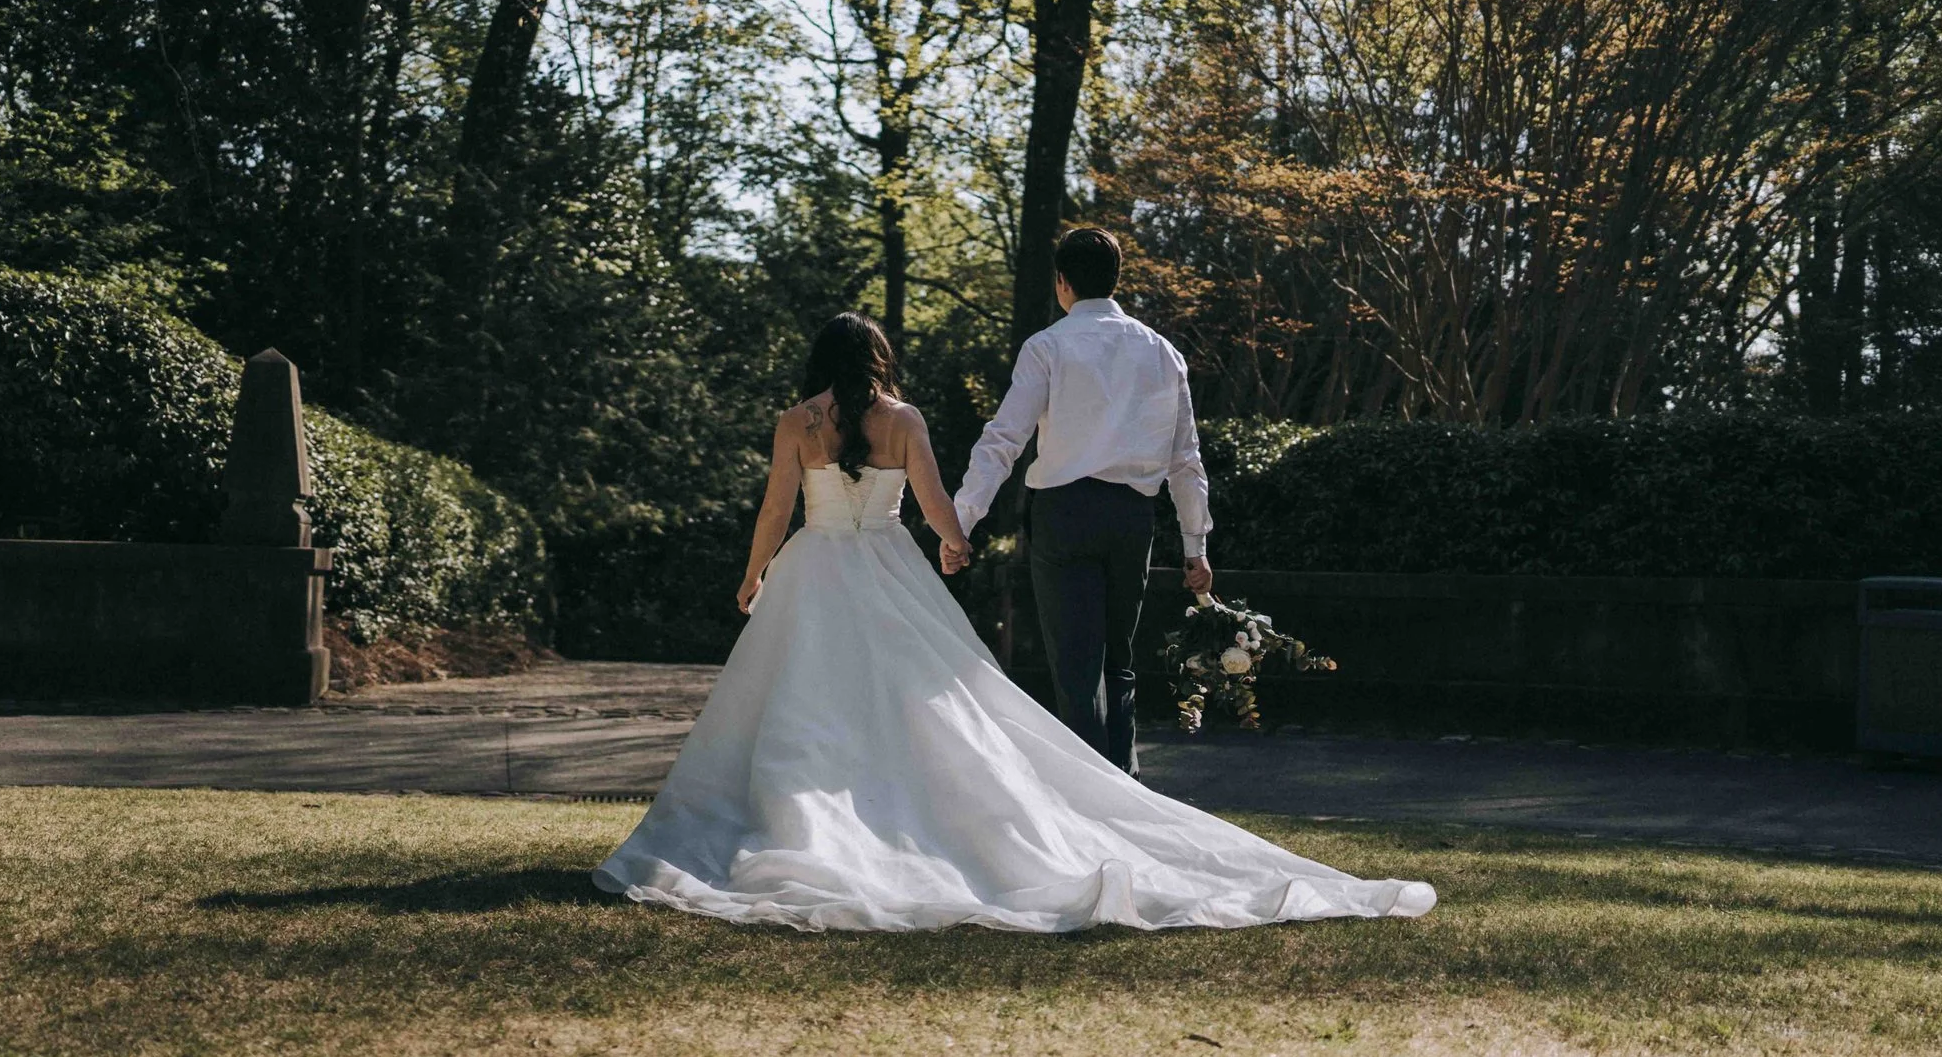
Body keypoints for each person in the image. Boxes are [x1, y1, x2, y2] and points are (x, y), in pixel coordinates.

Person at [591, 310, 1433, 934]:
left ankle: (798, 819)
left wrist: (754, 572)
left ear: (817, 360)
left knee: (802, 703)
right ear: (878, 359)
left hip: (815, 568)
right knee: (932, 703)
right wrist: (955, 545)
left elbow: (778, 506)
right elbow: (929, 504)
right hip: (886, 565)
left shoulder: (795, 423)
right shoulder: (902, 419)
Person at [950, 225, 1207, 773]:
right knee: (1119, 663)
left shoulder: (1048, 347)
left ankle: (1092, 800)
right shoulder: (1164, 353)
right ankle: (1127, 787)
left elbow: (1005, 439)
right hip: (1133, 517)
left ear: (1061, 283)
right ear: (1118, 280)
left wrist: (961, 519)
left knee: (1075, 667)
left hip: (1063, 515)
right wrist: (1195, 544)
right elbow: (1186, 458)